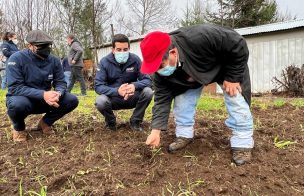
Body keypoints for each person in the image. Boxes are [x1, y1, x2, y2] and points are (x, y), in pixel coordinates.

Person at [140, 24, 254, 166]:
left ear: (173, 53)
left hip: (225, 66)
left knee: (235, 98)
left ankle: (242, 143)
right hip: (189, 74)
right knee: (182, 100)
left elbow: (238, 43)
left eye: (161, 66)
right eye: (155, 68)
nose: (158, 71)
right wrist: (155, 131)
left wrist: (233, 77)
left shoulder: (200, 37)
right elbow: (161, 100)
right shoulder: (160, 75)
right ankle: (184, 135)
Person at [6, 30, 79, 142]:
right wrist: (42, 94)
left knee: (72, 100)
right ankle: (19, 128)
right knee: (17, 105)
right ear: (30, 46)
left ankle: (45, 123)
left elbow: (60, 82)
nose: (46, 48)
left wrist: (58, 93)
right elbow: (15, 87)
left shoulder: (54, 60)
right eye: (41, 46)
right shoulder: (16, 59)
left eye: (48, 45)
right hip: (25, 99)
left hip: (45, 100)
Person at [95, 34, 153, 131]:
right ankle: (111, 123)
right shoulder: (104, 62)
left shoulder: (136, 60)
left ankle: (136, 121)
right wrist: (117, 91)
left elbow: (148, 80)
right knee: (100, 101)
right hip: (113, 98)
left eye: (125, 49)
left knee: (148, 92)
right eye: (119, 50)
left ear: (129, 49)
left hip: (132, 96)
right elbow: (98, 86)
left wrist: (134, 85)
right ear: (113, 49)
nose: (122, 52)